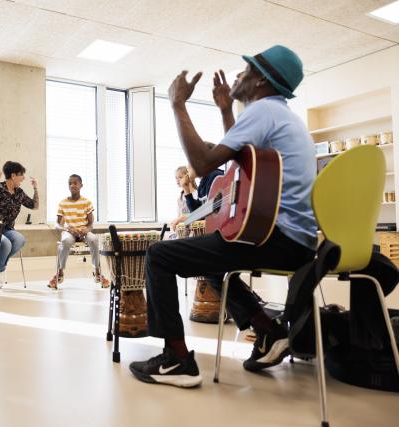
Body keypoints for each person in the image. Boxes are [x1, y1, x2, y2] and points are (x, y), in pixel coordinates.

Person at [129, 45, 317, 388]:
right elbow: (245, 165)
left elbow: (202, 165)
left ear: (261, 81)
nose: (238, 76)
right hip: (296, 242)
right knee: (213, 264)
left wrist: (177, 104)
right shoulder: (280, 115)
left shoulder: (262, 113)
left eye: (245, 71)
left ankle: (177, 360)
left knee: (159, 255)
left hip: (276, 239)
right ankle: (267, 330)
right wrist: (226, 111)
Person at [49, 174, 109, 289]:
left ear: (81, 185)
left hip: (83, 232)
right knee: (65, 241)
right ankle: (60, 273)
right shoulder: (63, 203)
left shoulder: (87, 202)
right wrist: (68, 229)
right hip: (69, 231)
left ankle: (97, 273)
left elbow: (91, 224)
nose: (72, 185)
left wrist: (86, 229)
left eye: (75, 183)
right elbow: (58, 225)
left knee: (94, 239)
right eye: (70, 183)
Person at [0, 161, 39, 288]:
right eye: (21, 175)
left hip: (8, 228)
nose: (23, 178)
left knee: (20, 240)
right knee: (5, 243)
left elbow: (35, 206)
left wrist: (35, 188)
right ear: (13, 175)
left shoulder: (19, 192)